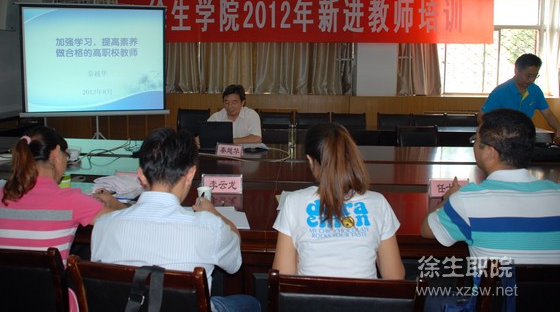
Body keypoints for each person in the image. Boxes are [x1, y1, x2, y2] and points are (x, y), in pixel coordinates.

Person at [91, 127, 261, 312]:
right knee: (250, 303)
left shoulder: (103, 226)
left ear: (141, 175)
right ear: (190, 174)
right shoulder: (210, 227)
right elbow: (234, 264)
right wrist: (214, 213)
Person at [421, 108, 560, 311]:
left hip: (493, 307)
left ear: (489, 152)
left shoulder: (467, 200)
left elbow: (426, 229)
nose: (474, 146)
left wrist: (448, 199)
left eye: (475, 140)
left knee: (426, 298)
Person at [272, 122, 405, 280]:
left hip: (311, 297)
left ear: (310, 160)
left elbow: (283, 276)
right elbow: (395, 277)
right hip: (364, 297)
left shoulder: (293, 203)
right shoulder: (378, 203)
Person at [0, 125, 125, 265]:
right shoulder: (71, 200)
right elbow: (129, 222)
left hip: (1, 279)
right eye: (66, 155)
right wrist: (114, 202)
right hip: (50, 279)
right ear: (55, 153)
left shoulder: (2, 194)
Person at [480, 53, 560, 142]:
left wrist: (558, 128)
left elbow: (548, 114)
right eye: (528, 76)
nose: (532, 80)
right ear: (516, 70)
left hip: (524, 137)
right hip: (503, 138)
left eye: (535, 76)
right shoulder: (501, 91)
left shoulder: (535, 90)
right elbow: (482, 117)